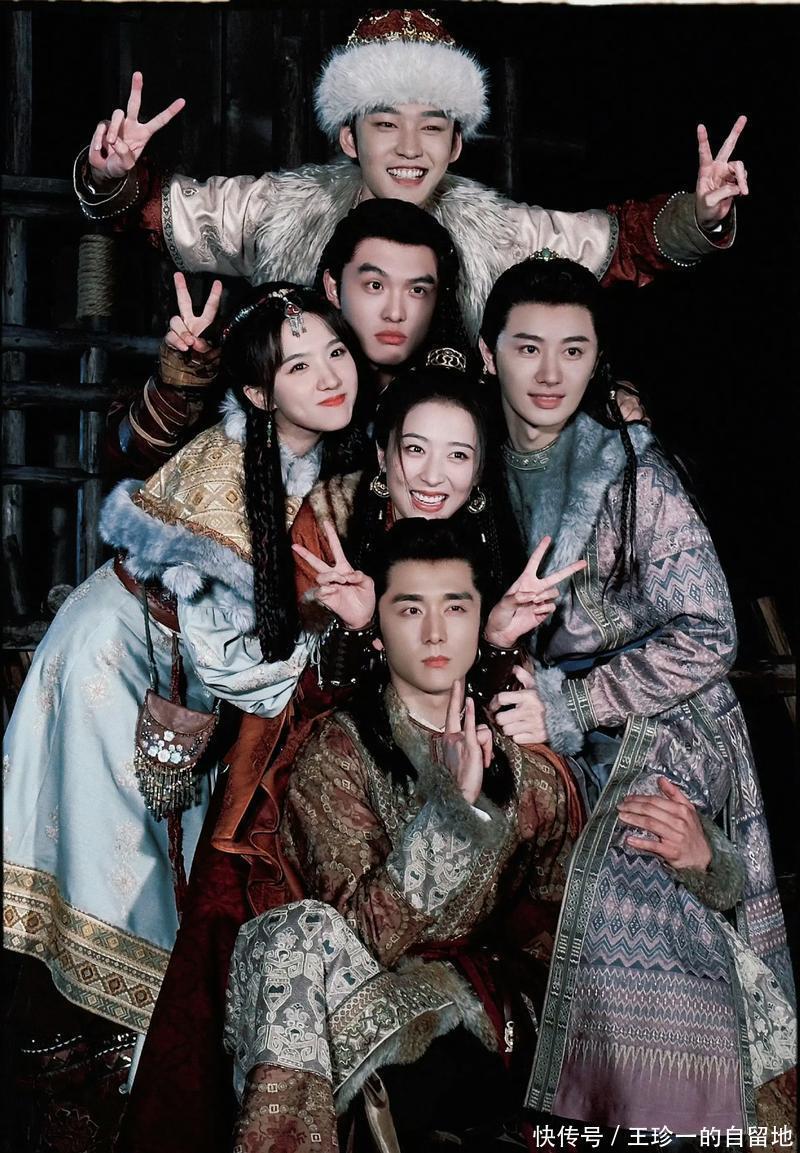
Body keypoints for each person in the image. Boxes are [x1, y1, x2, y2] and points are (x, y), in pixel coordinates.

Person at [475, 254, 796, 1131]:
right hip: (520, 704)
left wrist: (573, 706)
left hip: (666, 717)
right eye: (528, 347)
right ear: (488, 352)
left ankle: (666, 1121)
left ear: (598, 359)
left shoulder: (633, 473)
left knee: (633, 872)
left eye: (574, 350)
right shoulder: (464, 456)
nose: (551, 373)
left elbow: (709, 633)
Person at [2, 282, 364, 1046]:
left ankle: (144, 1046)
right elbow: (229, 657)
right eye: (299, 366)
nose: (331, 375)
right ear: (258, 393)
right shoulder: (224, 471)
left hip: (183, 663)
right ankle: (111, 1046)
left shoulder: (318, 455)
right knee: (117, 860)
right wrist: (331, 646)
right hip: (123, 654)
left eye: (336, 352)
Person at [224, 517, 587, 1152]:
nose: (435, 632)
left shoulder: (527, 768)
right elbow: (357, 937)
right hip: (372, 1016)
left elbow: (563, 923)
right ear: (378, 631)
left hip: (492, 1025)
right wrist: (450, 814)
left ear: (482, 623)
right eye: (410, 609)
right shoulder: (337, 753)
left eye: (456, 607)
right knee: (291, 935)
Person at [74, 8, 747, 343]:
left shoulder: (500, 232)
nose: (408, 147)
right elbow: (161, 213)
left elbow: (617, 245)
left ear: (455, 144)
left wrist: (701, 215)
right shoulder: (281, 209)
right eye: (385, 123)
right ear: (349, 137)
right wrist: (114, 175)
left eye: (431, 126)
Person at [105, 197, 469, 477]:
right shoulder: (271, 349)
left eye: (417, 290)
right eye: (374, 285)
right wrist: (182, 381)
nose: (396, 312)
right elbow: (130, 461)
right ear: (333, 286)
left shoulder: (457, 392)